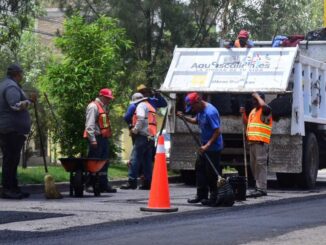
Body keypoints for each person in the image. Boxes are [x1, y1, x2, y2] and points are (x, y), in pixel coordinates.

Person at [177, 92, 223, 206]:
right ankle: (201, 195)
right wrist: (184, 118)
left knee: (211, 173)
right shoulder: (200, 111)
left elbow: (217, 131)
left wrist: (207, 146)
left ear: (198, 101)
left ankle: (214, 197)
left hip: (213, 147)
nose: (192, 109)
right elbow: (196, 121)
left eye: (192, 106)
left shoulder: (210, 112)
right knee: (200, 169)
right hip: (203, 146)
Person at [0, 64, 36, 199]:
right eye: (21, 73)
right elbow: (15, 105)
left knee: (12, 159)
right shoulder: (11, 86)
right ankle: (8, 189)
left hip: (8, 128)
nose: (22, 76)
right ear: (17, 74)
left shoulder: (5, 84)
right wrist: (30, 101)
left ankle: (13, 187)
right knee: (11, 159)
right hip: (11, 129)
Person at [121, 93, 157, 190]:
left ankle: (132, 181)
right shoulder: (150, 106)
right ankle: (148, 182)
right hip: (151, 137)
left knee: (135, 159)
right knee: (147, 161)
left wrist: (135, 130)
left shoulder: (141, 105)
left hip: (142, 136)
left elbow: (140, 119)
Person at [84, 88, 117, 193]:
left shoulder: (104, 107)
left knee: (104, 162)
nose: (109, 100)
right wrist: (92, 140)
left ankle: (103, 184)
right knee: (93, 162)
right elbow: (90, 125)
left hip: (103, 139)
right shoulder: (93, 106)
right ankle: (90, 184)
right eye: (107, 98)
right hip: (96, 138)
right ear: (101, 96)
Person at [240, 92, 272, 197]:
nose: (253, 102)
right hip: (252, 143)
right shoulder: (253, 111)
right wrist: (243, 114)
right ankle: (258, 186)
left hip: (261, 143)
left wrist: (257, 95)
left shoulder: (265, 110)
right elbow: (247, 123)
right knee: (254, 166)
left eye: (255, 100)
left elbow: (264, 106)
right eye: (253, 100)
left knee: (260, 165)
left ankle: (262, 189)